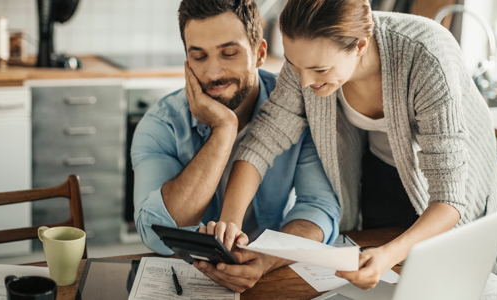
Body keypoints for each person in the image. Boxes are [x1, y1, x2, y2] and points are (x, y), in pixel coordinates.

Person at [213, 0, 497, 291]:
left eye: (320, 70)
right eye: (294, 65)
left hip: (447, 190)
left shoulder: (426, 55)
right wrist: (230, 225)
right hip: (381, 170)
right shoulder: (307, 59)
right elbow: (264, 139)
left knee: (442, 283)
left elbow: (449, 199)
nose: (304, 82)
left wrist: (388, 255)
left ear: (361, 46)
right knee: (385, 287)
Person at [130, 0, 340, 293]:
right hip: (191, 281)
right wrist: (224, 130)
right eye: (199, 56)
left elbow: (318, 209)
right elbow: (156, 233)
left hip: (273, 273)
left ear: (260, 54)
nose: (214, 73)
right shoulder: (161, 124)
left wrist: (267, 259)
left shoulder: (299, 111)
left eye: (229, 53)